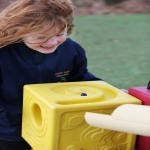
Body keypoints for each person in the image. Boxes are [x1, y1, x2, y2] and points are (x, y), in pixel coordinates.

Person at [0, 0, 101, 149]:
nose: (52, 42)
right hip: (10, 133)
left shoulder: (72, 50)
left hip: (57, 127)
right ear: (19, 31)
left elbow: (79, 79)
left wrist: (107, 91)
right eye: (41, 37)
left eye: (60, 33)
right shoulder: (3, 54)